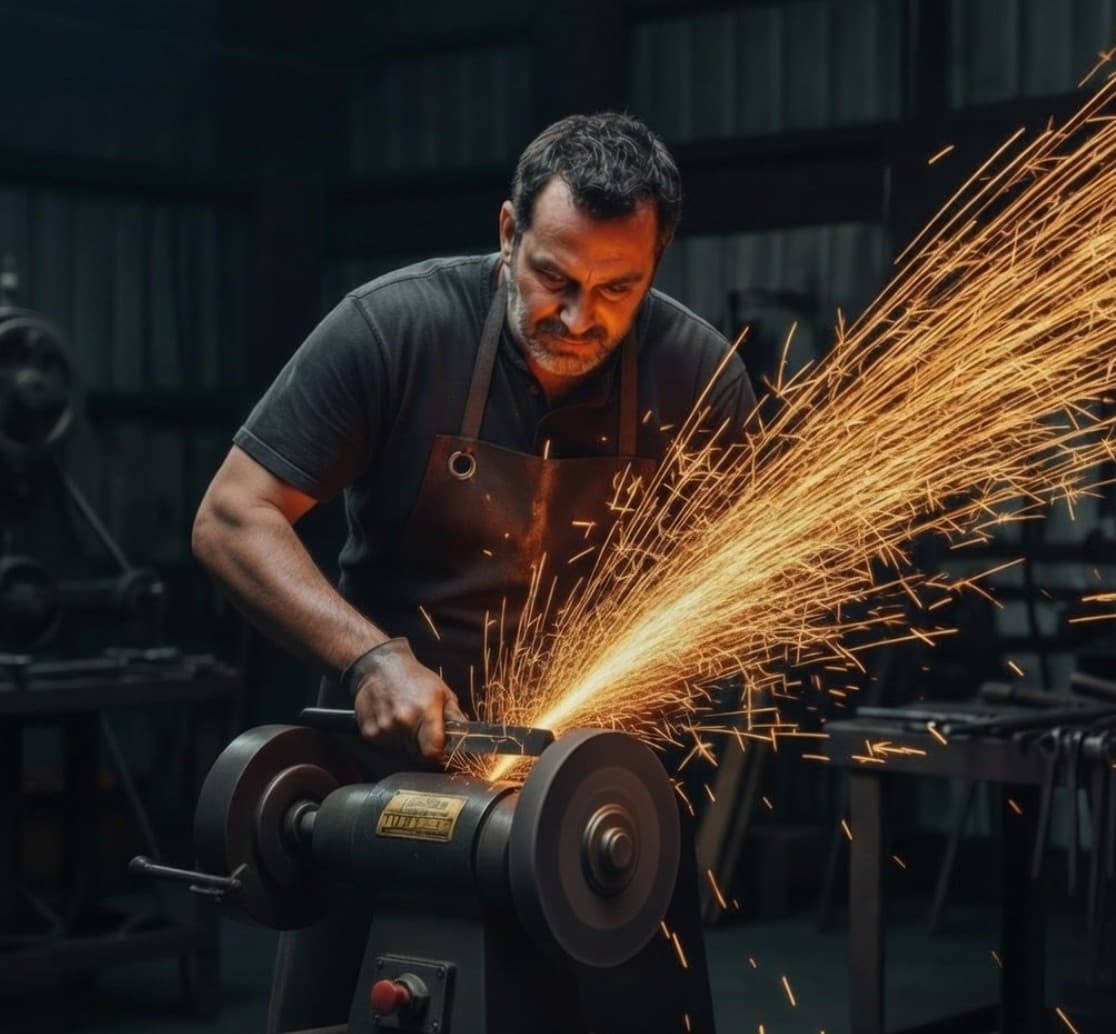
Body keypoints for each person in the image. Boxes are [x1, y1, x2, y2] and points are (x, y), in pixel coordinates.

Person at [192, 111, 756, 1033]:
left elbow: (743, 578)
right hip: (386, 797)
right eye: (554, 279)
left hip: (592, 809)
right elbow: (230, 517)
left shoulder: (695, 374)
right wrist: (370, 659)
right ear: (507, 234)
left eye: (620, 288)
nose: (579, 318)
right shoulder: (395, 330)